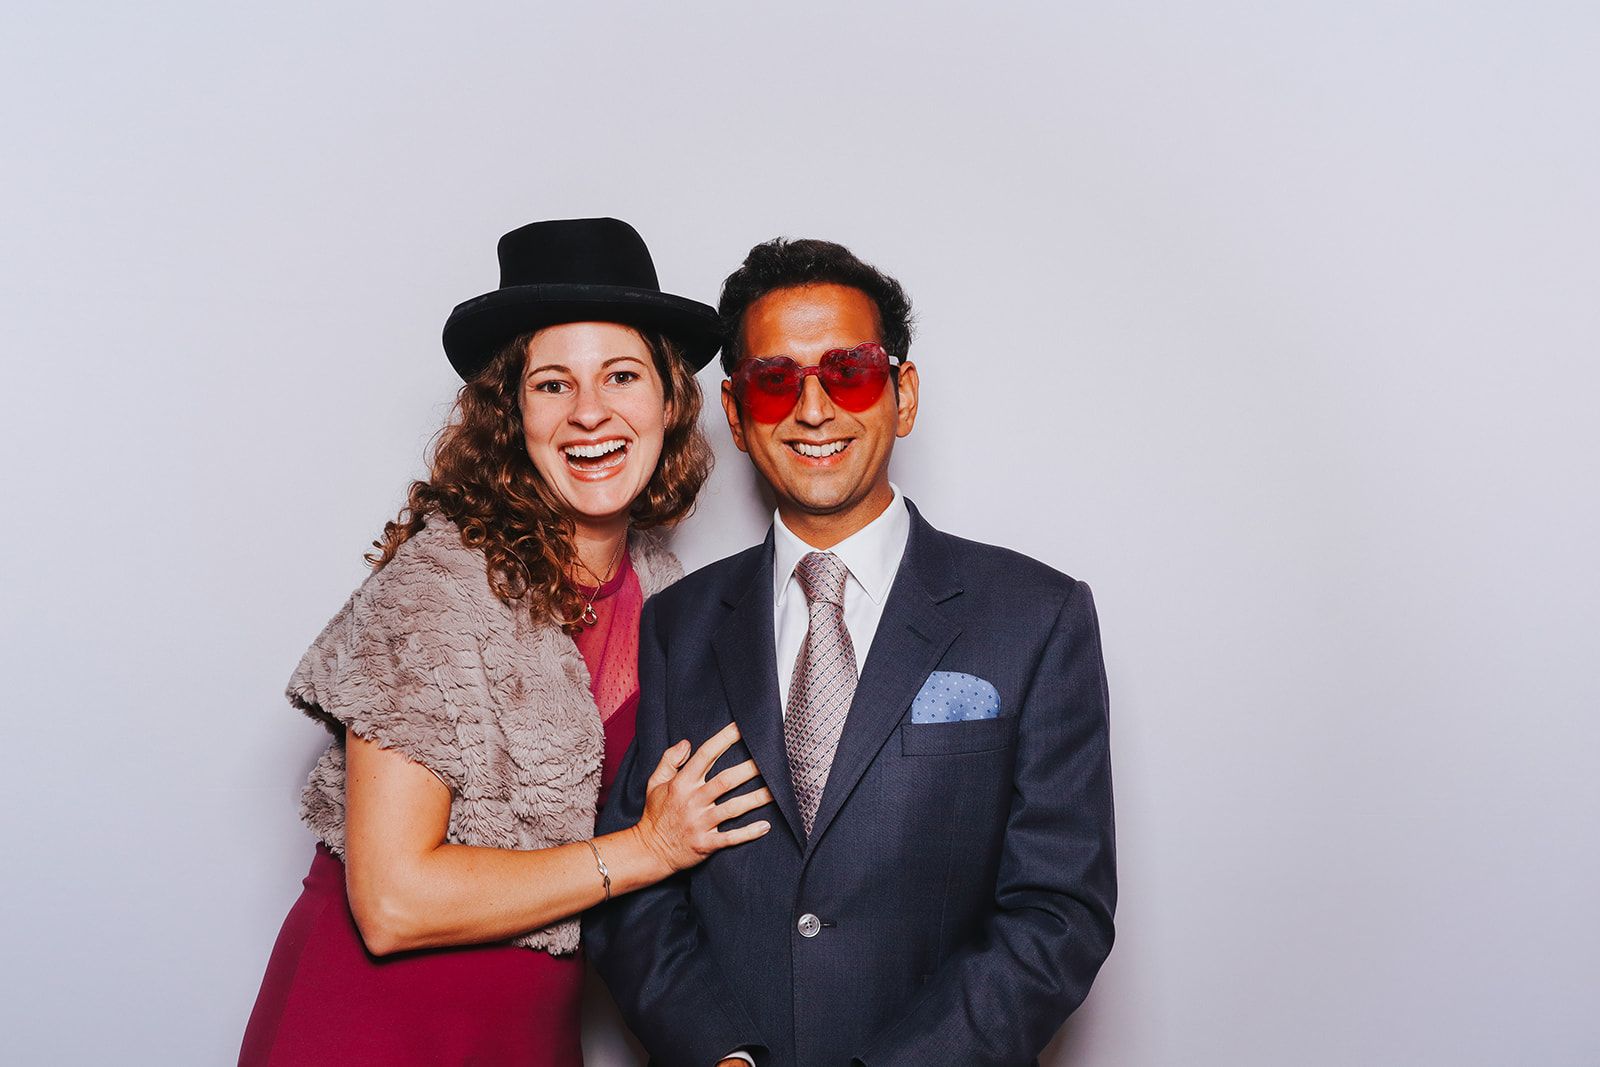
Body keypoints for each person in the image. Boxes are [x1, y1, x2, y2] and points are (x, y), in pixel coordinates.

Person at [239, 217, 773, 1067]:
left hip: (528, 1035)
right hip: (368, 1031)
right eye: (552, 384)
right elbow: (392, 899)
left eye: (622, 375)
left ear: (670, 401)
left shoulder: (675, 598)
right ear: (510, 413)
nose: (590, 411)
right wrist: (647, 848)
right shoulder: (437, 588)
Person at [585, 238, 1117, 1067]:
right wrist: (721, 1054)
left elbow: (1059, 908)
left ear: (902, 394)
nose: (813, 409)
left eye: (850, 371)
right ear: (735, 412)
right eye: (774, 380)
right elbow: (635, 896)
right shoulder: (677, 624)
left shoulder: (1037, 616)